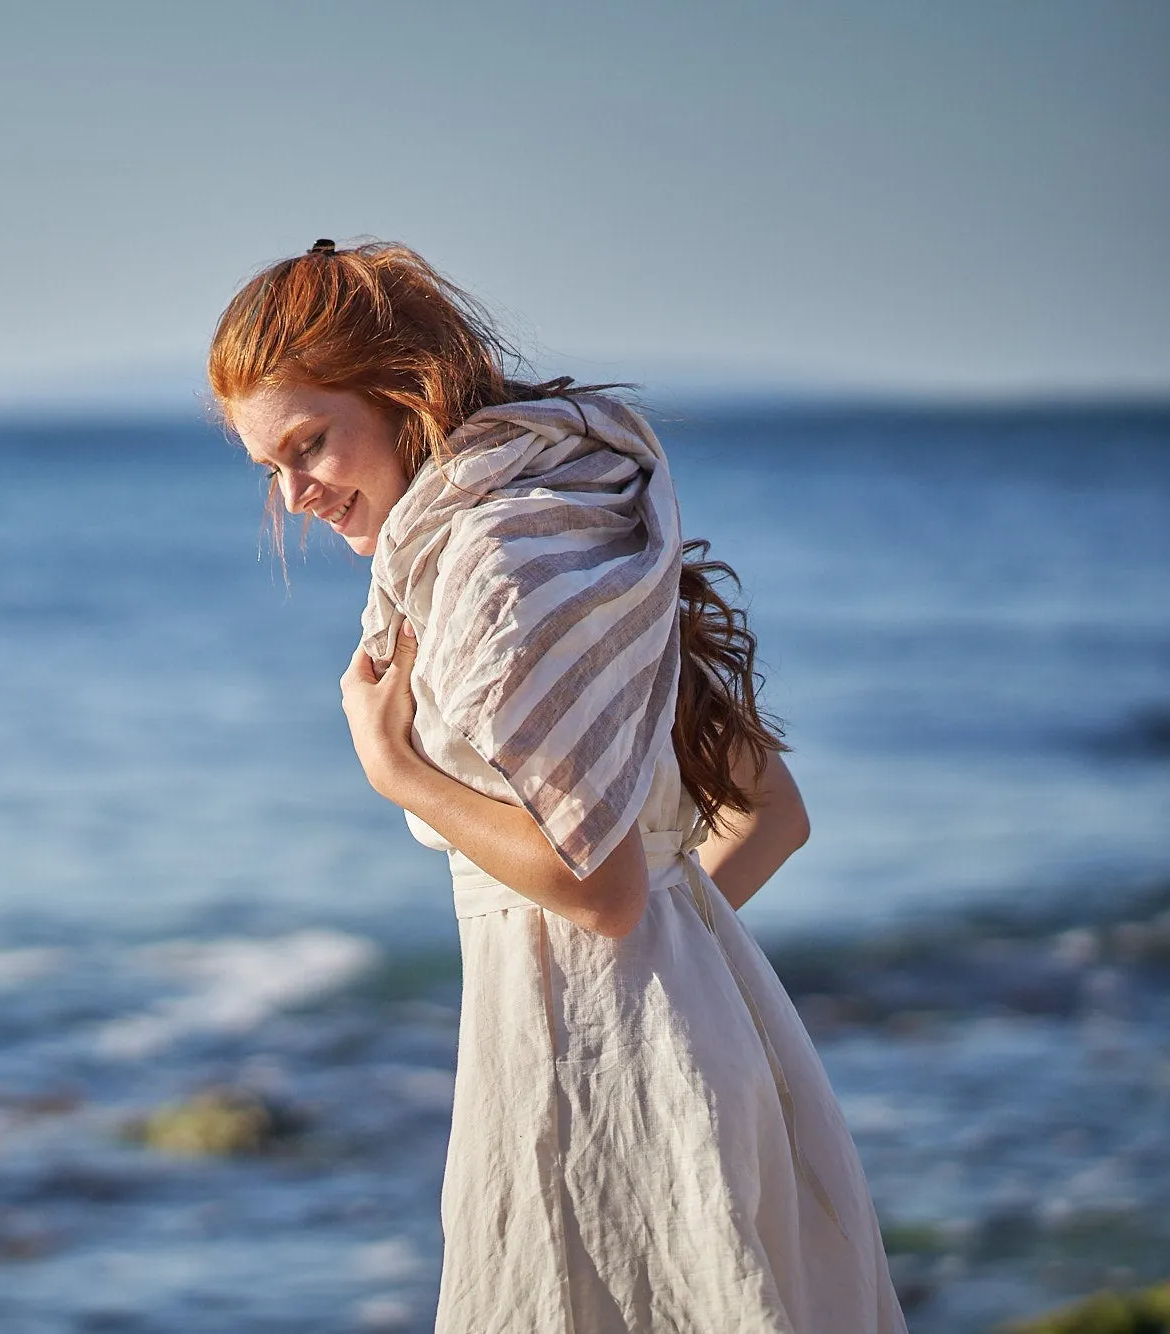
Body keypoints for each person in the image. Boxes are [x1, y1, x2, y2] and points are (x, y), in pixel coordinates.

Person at [209, 240, 906, 1332]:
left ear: (402, 394)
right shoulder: (576, 520)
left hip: (600, 1071)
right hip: (700, 1031)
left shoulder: (493, 562)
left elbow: (598, 888)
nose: (295, 493)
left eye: (310, 443)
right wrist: (680, 969)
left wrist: (391, 767)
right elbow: (769, 815)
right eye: (268, 467)